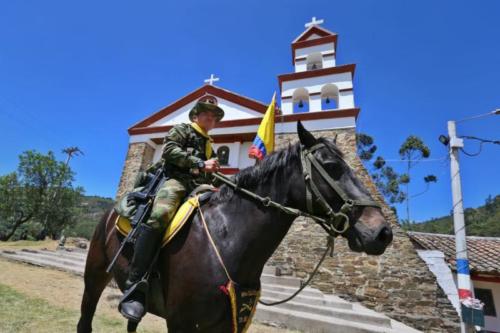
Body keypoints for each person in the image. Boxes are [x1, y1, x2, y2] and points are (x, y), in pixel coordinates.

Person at [119, 99, 224, 321]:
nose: (211, 119)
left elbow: (208, 174)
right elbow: (169, 150)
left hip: (198, 187)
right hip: (175, 181)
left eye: (214, 116)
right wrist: (200, 163)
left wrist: (217, 179)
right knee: (160, 216)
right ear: (195, 116)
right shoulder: (182, 130)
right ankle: (134, 284)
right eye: (207, 114)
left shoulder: (210, 145)